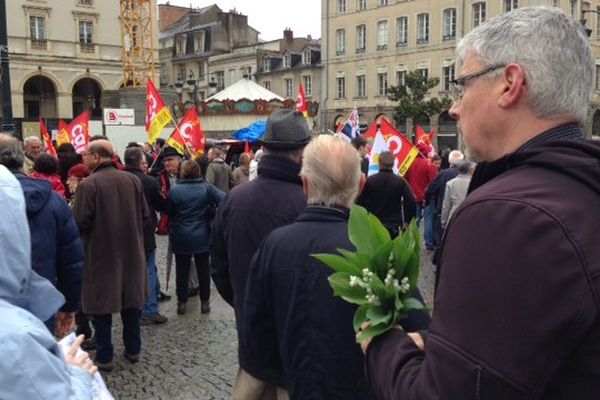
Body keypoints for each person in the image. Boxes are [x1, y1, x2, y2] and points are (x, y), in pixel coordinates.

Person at [362, 7, 600, 399]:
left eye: (463, 85)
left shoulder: (507, 215)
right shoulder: (580, 188)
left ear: (510, 83)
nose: (454, 107)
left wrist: (383, 345)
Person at [242, 136, 430, 400]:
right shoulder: (378, 249)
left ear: (304, 184)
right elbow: (419, 332)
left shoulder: (273, 246)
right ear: (361, 185)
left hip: (296, 387)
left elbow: (256, 337)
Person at [210, 109, 311, 398]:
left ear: (263, 149)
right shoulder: (309, 202)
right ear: (303, 152)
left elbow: (218, 265)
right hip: (296, 337)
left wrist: (243, 299)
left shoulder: (233, 199)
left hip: (250, 325)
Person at [0, 164, 96, 399]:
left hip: (33, 294)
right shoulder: (14, 338)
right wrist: (78, 374)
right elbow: (72, 258)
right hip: (36, 297)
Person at [73, 139, 148, 371]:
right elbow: (145, 214)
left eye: (86, 154)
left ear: (97, 157)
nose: (83, 158)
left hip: (100, 254)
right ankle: (133, 349)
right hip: (132, 252)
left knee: (101, 307)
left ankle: (105, 356)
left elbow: (78, 222)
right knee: (131, 304)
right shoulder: (132, 180)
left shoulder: (88, 185)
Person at [0, 133, 84, 338]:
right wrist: (69, 306)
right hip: (41, 305)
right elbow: (72, 262)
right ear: (21, 157)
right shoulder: (54, 201)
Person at [166, 160, 224, 315]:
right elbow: (225, 199)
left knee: (182, 270)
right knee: (203, 270)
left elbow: (168, 211)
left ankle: (182, 303)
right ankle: (205, 303)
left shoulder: (175, 190)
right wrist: (212, 212)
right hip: (202, 234)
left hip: (181, 235)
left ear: (183, 172)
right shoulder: (206, 188)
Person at [124, 147, 168, 325]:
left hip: (123, 231)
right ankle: (149, 308)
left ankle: (131, 305)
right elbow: (162, 205)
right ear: (139, 162)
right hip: (145, 230)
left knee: (130, 270)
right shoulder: (149, 182)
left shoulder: (120, 179)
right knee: (148, 268)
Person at [356, 151, 416, 237]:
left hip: (375, 224)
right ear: (393, 163)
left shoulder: (370, 180)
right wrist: (408, 220)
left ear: (379, 163)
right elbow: (411, 201)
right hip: (394, 226)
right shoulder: (400, 181)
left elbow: (360, 202)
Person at [424, 149, 465, 245]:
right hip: (463, 208)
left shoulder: (443, 174)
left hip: (443, 207)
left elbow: (431, 189)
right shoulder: (467, 174)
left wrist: (427, 201)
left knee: (442, 234)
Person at [440, 160, 475, 229]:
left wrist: (443, 221)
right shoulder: (475, 183)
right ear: (471, 170)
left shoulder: (450, 183)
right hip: (471, 215)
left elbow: (446, 205)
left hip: (454, 215)